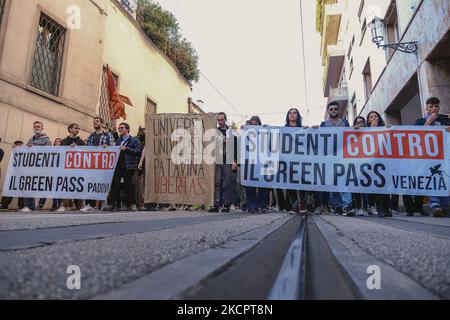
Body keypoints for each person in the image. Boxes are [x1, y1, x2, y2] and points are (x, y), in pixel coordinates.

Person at [412, 97, 450, 217]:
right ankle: (435, 204)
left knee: (445, 177)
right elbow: (414, 136)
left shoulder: (445, 119)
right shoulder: (419, 121)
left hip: (445, 154)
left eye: (436, 106)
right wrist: (428, 123)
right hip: (428, 156)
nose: (433, 109)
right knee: (433, 178)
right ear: (426, 108)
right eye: (431, 107)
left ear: (439, 107)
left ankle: (445, 205)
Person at [318, 102, 355, 217]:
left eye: (335, 109)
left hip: (343, 156)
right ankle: (338, 206)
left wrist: (357, 129)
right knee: (333, 181)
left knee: (344, 180)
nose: (333, 111)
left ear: (338, 111)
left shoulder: (345, 123)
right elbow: (319, 139)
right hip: (329, 158)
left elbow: (351, 136)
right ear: (328, 111)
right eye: (331, 109)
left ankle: (347, 204)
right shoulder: (323, 125)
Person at [104, 123, 141, 211]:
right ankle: (111, 204)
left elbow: (137, 151)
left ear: (127, 129)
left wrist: (126, 148)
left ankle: (131, 204)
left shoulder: (134, 140)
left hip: (129, 165)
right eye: (119, 128)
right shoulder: (118, 140)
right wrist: (107, 148)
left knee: (129, 185)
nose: (119, 129)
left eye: (122, 128)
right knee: (115, 184)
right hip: (118, 164)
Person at [81, 117, 115, 212]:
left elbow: (113, 148)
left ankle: (103, 203)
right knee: (90, 183)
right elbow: (87, 149)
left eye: (96, 121)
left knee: (102, 184)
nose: (94, 123)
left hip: (103, 165)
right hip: (92, 164)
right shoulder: (91, 136)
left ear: (102, 123)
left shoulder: (108, 135)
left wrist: (107, 147)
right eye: (93, 122)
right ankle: (89, 204)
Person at [280, 108, 309, 214]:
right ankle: (294, 203)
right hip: (288, 160)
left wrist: (313, 129)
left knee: (302, 181)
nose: (292, 115)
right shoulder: (283, 129)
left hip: (301, 159)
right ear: (288, 117)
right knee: (290, 182)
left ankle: (303, 203)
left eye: (294, 113)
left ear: (298, 116)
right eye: (290, 113)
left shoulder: (303, 128)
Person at [20, 121, 52, 212]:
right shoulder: (31, 139)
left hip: (41, 168)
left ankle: (37, 205)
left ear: (42, 128)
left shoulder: (46, 140)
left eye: (38, 126)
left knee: (38, 186)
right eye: (35, 126)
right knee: (28, 185)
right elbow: (25, 152)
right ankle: (29, 206)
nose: (36, 128)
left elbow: (49, 152)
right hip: (31, 167)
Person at [209, 112, 237, 213]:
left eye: (222, 120)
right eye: (218, 120)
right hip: (217, 160)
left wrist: (235, 161)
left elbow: (235, 146)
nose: (220, 122)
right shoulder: (214, 132)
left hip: (228, 160)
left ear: (225, 120)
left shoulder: (231, 132)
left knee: (227, 183)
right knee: (216, 183)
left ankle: (226, 205)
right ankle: (216, 205)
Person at [366, 111, 391, 218]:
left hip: (385, 160)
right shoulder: (365, 131)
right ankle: (379, 208)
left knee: (386, 185)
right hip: (373, 162)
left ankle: (386, 208)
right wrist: (371, 129)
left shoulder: (386, 129)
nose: (374, 118)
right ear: (368, 120)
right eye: (371, 117)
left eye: (375, 116)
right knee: (377, 185)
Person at [57, 124, 86, 212]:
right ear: (70, 129)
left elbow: (84, 153)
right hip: (66, 167)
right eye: (76, 128)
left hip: (77, 168)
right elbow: (60, 152)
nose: (78, 130)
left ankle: (78, 205)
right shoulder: (64, 141)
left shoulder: (80, 141)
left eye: (78, 128)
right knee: (65, 185)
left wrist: (77, 148)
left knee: (76, 186)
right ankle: (64, 204)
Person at [244, 116, 269, 214]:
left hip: (262, 162)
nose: (254, 127)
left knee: (263, 184)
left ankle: (262, 205)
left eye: (256, 125)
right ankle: (252, 206)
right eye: (252, 125)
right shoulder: (246, 134)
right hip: (250, 162)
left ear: (260, 125)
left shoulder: (265, 133)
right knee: (250, 185)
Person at [350, 116, 369, 216]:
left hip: (368, 163)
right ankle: (358, 207)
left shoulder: (371, 133)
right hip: (356, 163)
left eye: (362, 122)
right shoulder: (351, 134)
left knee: (366, 187)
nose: (360, 124)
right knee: (356, 186)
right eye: (358, 122)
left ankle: (367, 207)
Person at [0, 141, 25, 211]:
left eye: (20, 144)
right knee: (9, 188)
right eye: (17, 144)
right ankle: (4, 205)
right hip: (13, 173)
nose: (19, 146)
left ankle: (21, 206)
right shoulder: (13, 152)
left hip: (22, 174)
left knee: (21, 189)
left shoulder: (26, 153)